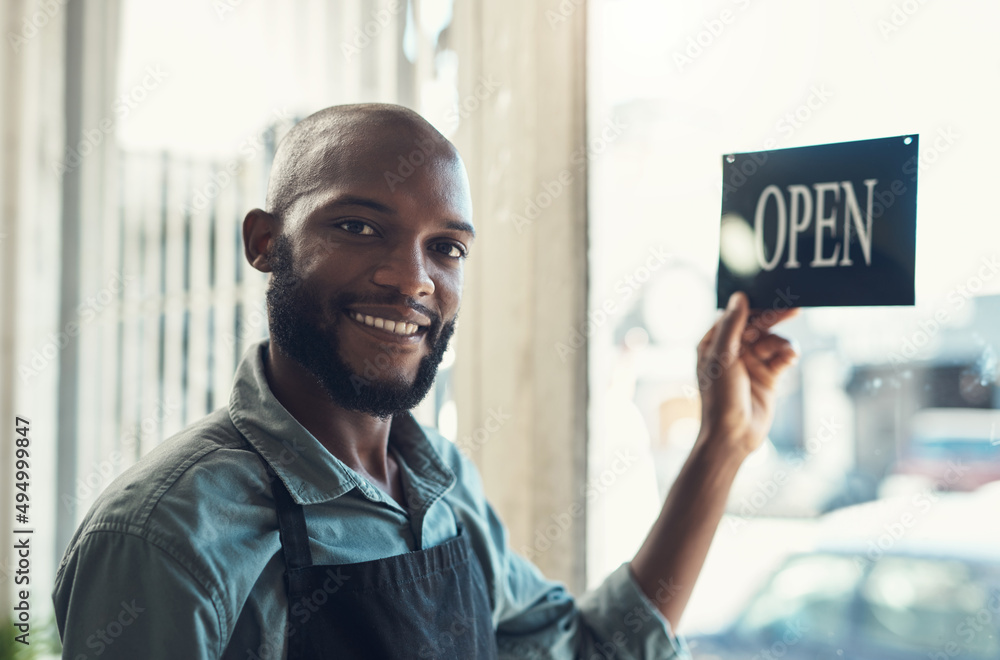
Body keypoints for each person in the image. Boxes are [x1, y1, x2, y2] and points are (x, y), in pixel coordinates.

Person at [52, 103, 798, 659]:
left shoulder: (444, 490)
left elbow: (586, 652)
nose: (411, 279)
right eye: (358, 226)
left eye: (445, 247)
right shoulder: (164, 534)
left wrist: (720, 447)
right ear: (265, 242)